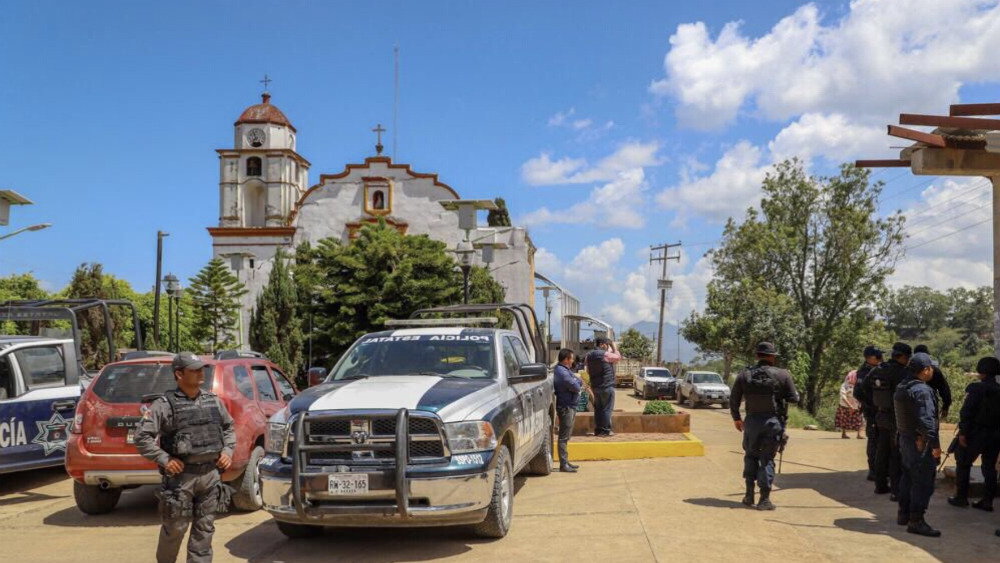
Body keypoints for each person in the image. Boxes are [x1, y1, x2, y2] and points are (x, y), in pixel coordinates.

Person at [135, 352, 236, 563]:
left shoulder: (213, 401)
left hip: (210, 475)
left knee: (204, 530)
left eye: (201, 369)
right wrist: (164, 459)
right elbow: (142, 437)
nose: (201, 374)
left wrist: (227, 451)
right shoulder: (164, 405)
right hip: (181, 479)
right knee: (175, 529)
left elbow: (228, 427)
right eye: (194, 370)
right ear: (179, 374)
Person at [730, 342, 799, 510]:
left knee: (750, 455)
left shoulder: (744, 375)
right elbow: (794, 398)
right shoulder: (783, 375)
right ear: (772, 357)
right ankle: (764, 500)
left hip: (752, 422)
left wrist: (737, 419)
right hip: (772, 423)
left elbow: (734, 399)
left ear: (757, 356)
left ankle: (748, 496)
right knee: (767, 459)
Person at [894, 352, 942, 537]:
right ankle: (916, 521)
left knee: (907, 476)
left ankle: (903, 514)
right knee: (923, 482)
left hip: (905, 439)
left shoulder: (903, 386)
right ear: (925, 370)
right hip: (919, 443)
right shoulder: (922, 390)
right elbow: (927, 421)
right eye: (931, 368)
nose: (933, 372)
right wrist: (935, 445)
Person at [858, 342, 910, 498]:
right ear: (901, 357)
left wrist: (873, 404)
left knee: (881, 450)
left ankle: (880, 485)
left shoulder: (877, 370)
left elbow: (862, 389)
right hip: (897, 417)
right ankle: (895, 491)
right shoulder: (903, 373)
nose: (908, 361)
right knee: (895, 454)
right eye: (907, 357)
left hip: (881, 415)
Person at [948, 356, 1000, 511]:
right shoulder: (999, 390)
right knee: (990, 468)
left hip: (975, 433)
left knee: (963, 464)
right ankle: (987, 501)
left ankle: (961, 498)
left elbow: (967, 411)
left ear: (981, 371)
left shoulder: (975, 389)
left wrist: (963, 433)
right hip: (996, 434)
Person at [854, 346, 883, 480]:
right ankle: (873, 470)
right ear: (869, 358)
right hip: (872, 412)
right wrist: (871, 404)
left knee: (882, 441)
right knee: (874, 441)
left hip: (882, 411)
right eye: (877, 356)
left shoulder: (879, 369)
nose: (881, 358)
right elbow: (858, 392)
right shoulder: (864, 372)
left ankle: (881, 470)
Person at [554, 348, 582, 473]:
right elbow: (576, 386)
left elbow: (579, 381)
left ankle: (565, 461)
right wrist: (576, 383)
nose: (573, 362)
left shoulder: (566, 370)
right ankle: (563, 464)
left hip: (570, 406)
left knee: (566, 436)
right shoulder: (561, 372)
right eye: (571, 359)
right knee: (563, 437)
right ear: (566, 359)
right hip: (566, 407)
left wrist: (576, 382)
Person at [586, 337, 621, 437]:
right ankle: (605, 431)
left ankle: (598, 430)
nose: (607, 347)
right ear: (602, 344)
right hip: (606, 386)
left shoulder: (589, 355)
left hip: (595, 386)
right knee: (606, 409)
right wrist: (614, 348)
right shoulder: (605, 354)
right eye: (607, 345)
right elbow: (617, 358)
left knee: (598, 409)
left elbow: (588, 370)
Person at [914, 344, 953, 420]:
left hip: (912, 405)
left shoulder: (908, 370)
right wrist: (946, 406)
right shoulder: (934, 370)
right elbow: (944, 389)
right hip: (930, 405)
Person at [837, 370, 864, 439]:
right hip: (845, 405)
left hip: (856, 405)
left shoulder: (859, 386)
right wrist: (850, 406)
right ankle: (844, 433)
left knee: (860, 419)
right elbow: (843, 396)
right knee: (844, 419)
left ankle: (859, 434)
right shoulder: (845, 385)